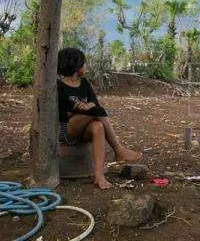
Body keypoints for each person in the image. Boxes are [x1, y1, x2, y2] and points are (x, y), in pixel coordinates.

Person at [57, 47, 142, 189]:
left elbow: (94, 102)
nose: (86, 66)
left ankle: (99, 175)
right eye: (83, 63)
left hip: (85, 124)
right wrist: (77, 110)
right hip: (67, 128)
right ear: (75, 65)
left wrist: (87, 106)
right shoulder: (59, 86)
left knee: (98, 126)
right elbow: (57, 113)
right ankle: (118, 149)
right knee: (98, 112)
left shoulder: (84, 83)